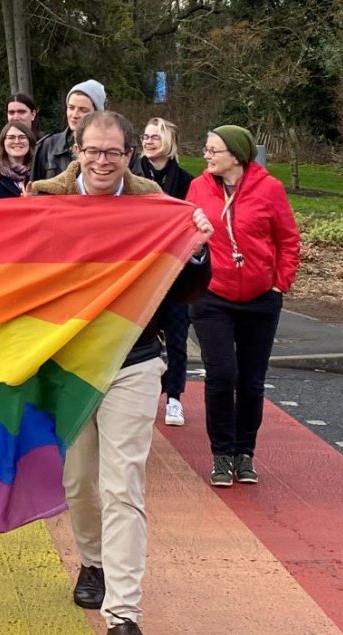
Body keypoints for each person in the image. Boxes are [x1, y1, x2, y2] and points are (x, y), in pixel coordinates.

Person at [29, 110, 213, 635]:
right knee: (80, 481)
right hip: (68, 364)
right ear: (75, 151)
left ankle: (123, 615)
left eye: (113, 152)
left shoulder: (153, 203)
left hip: (133, 360)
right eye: (93, 151)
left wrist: (197, 249)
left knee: (122, 485)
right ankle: (92, 560)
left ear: (130, 153)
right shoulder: (45, 199)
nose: (103, 161)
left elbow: (182, 290)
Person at [185, 125, 301, 487]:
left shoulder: (270, 189)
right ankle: (221, 454)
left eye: (213, 149)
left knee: (251, 382)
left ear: (235, 154)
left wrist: (279, 282)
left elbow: (288, 239)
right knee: (221, 375)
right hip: (212, 296)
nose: (206, 155)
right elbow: (186, 232)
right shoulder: (198, 187)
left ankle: (244, 453)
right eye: (206, 148)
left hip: (260, 299)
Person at [132, 118, 194, 426]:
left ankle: (174, 397)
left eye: (155, 137)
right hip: (140, 270)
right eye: (145, 136)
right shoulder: (131, 176)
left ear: (168, 141)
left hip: (175, 270)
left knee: (177, 334)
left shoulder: (185, 181)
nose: (148, 141)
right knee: (133, 334)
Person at [33, 80, 106, 181]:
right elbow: (34, 190)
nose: (74, 115)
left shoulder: (116, 148)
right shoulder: (48, 146)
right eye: (71, 108)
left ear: (97, 113)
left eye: (83, 110)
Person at [0, 93, 38, 171]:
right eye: (11, 112)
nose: (16, 117)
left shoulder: (45, 146)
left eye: (21, 112)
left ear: (33, 114)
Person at [0, 120, 37, 199]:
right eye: (11, 138)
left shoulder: (41, 173)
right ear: (3, 142)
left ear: (30, 141)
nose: (17, 141)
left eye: (22, 137)